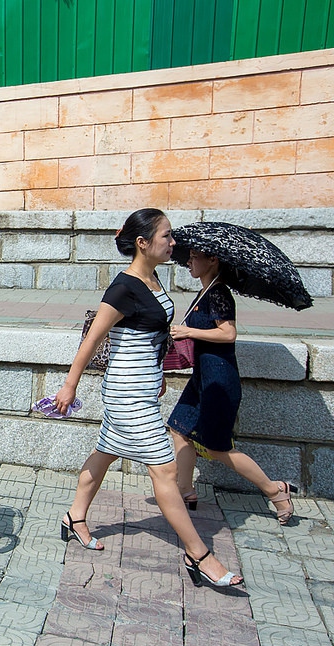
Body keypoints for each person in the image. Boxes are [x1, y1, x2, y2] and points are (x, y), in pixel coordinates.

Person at [53, 208, 244, 589]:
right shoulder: (123, 288)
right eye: (167, 236)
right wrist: (69, 385)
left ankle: (74, 517)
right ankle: (199, 554)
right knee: (166, 470)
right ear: (143, 243)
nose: (174, 243)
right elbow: (93, 339)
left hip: (142, 386)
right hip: (126, 392)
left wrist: (156, 373)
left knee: (106, 451)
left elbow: (152, 334)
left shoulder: (153, 278)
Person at [168, 248, 296, 525]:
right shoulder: (204, 293)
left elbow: (228, 333)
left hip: (219, 381)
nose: (189, 261)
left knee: (216, 447)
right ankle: (185, 489)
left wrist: (189, 331)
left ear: (213, 260)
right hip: (203, 378)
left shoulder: (218, 293)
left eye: (194, 256)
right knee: (179, 429)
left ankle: (275, 490)